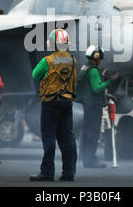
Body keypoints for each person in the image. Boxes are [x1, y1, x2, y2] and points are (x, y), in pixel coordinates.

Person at [29, 28, 78, 182]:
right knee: (67, 138)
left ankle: (47, 173)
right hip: (66, 103)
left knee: (49, 137)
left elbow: (35, 75)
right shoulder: (73, 60)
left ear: (54, 43)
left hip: (50, 103)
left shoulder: (47, 61)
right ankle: (68, 173)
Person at [76, 45, 118, 168]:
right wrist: (110, 81)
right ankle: (90, 161)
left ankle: (87, 160)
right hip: (93, 105)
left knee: (88, 132)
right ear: (97, 56)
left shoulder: (86, 67)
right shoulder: (93, 70)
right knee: (93, 134)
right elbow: (96, 88)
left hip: (88, 104)